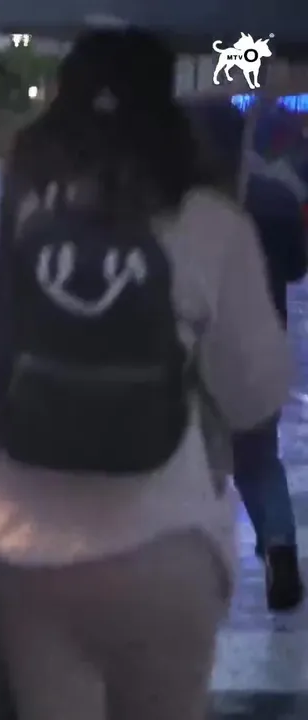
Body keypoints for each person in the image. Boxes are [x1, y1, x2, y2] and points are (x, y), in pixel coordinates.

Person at [0, 29, 290, 719]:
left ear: (57, 101)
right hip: (169, 546)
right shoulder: (210, 219)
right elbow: (256, 395)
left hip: (9, 547)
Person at [188, 97, 306, 611]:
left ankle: (196, 565)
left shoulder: (176, 204)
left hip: (193, 351)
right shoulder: (274, 195)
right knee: (260, 460)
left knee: (192, 462)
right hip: (258, 342)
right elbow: (297, 267)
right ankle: (279, 545)